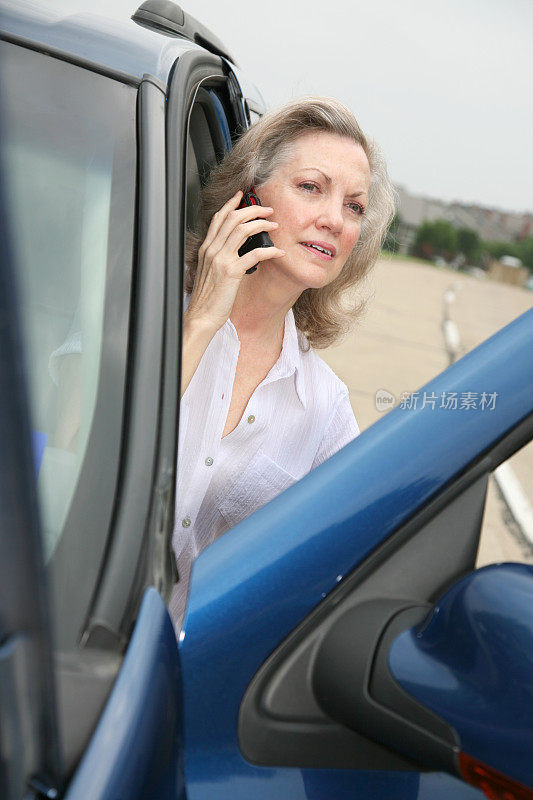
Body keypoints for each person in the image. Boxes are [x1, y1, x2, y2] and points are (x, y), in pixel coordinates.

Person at [169, 97, 395, 630]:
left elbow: (339, 576)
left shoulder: (326, 410)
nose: (333, 220)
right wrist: (199, 322)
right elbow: (75, 453)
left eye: (354, 207)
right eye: (311, 187)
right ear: (248, 194)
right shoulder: (140, 303)